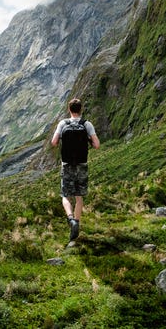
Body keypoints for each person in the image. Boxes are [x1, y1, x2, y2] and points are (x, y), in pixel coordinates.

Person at [51, 98, 99, 244]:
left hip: (66, 165)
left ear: (69, 109)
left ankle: (71, 219)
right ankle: (76, 223)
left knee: (65, 196)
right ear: (81, 109)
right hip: (82, 164)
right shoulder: (87, 124)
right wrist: (89, 140)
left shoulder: (62, 123)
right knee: (79, 197)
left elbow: (53, 142)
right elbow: (96, 145)